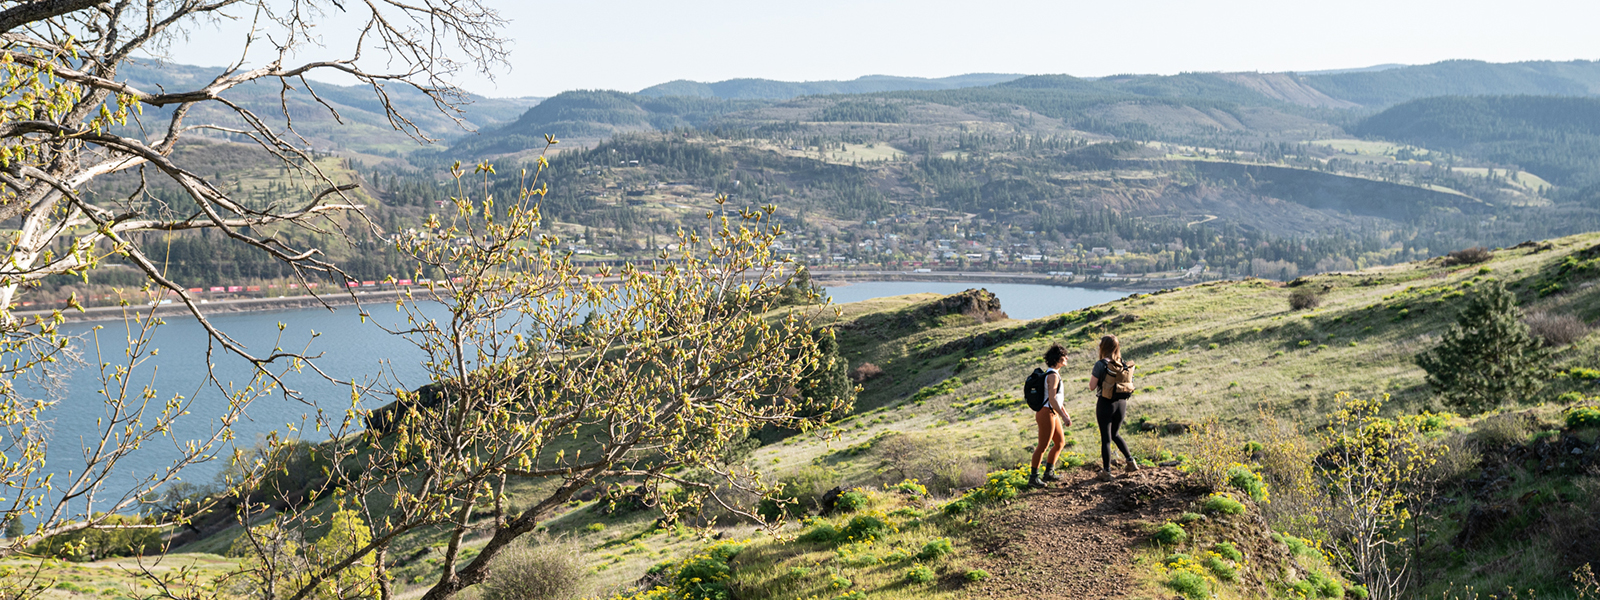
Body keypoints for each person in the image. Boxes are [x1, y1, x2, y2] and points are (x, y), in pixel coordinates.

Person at [1088, 334, 1138, 481]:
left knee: (1106, 438)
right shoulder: (1123, 364)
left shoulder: (1101, 364)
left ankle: (1107, 471)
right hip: (1122, 404)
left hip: (1105, 404)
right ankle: (1130, 461)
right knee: (1115, 434)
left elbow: (1091, 386)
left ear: (1103, 347)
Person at [1029, 343, 1073, 489]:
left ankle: (1049, 472)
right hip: (1046, 413)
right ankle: (1033, 478)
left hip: (1052, 413)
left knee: (1060, 443)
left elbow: (1057, 400)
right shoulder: (1053, 375)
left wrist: (1064, 414)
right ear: (1058, 359)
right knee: (1043, 446)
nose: (1067, 358)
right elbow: (1053, 399)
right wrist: (1063, 416)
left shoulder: (1055, 374)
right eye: (1064, 356)